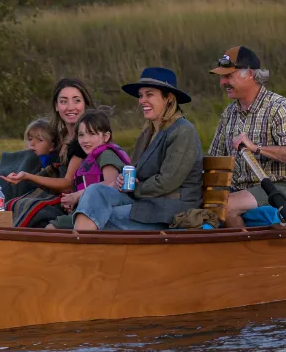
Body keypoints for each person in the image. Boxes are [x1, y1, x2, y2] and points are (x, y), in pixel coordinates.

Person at [71, 68, 202, 231]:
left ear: (168, 98)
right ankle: (80, 245)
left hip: (171, 209)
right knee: (95, 191)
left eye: (149, 94)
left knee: (101, 215)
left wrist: (133, 187)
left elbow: (167, 182)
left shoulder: (182, 131)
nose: (142, 100)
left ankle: (79, 249)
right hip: (146, 202)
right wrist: (123, 179)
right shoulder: (148, 133)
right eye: (140, 96)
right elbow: (135, 171)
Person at [206, 46, 286, 228]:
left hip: (281, 188)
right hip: (241, 190)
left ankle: (246, 253)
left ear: (250, 74)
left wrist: (255, 148)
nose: (222, 82)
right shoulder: (229, 114)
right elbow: (215, 162)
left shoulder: (279, 107)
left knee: (226, 206)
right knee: (201, 202)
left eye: (228, 76)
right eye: (222, 77)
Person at [5, 78, 96, 227]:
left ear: (85, 104)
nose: (70, 107)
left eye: (77, 100)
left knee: (29, 207)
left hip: (75, 198)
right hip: (54, 192)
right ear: (56, 106)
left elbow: (68, 184)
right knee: (10, 201)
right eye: (64, 101)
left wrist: (28, 176)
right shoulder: (59, 136)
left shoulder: (87, 139)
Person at [57, 111, 130, 212]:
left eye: (91, 134)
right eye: (81, 135)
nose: (85, 140)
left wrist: (77, 196)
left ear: (106, 137)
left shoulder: (106, 155)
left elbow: (111, 184)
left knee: (51, 226)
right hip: (89, 208)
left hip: (101, 212)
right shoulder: (89, 159)